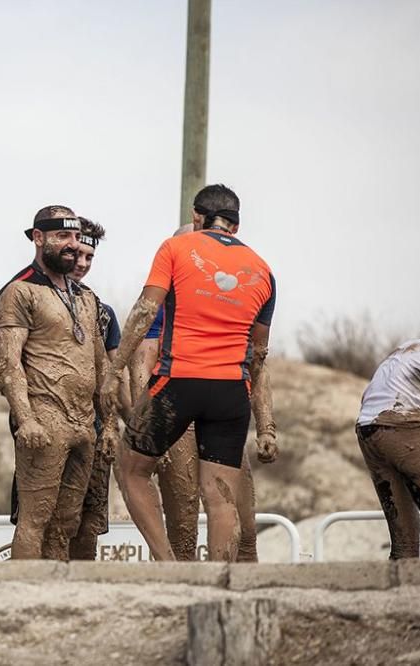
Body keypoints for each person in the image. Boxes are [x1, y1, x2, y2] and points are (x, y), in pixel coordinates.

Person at [101, 184, 278, 561]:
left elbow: (145, 313)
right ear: (236, 223)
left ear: (197, 216)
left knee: (131, 469)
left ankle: (168, 565)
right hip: (232, 391)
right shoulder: (263, 270)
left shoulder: (176, 247)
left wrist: (114, 371)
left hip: (178, 381)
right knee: (221, 497)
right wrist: (262, 418)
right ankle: (220, 581)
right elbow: (258, 353)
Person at [128, 224, 260, 562]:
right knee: (187, 521)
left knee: (244, 524)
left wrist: (268, 424)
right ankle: (178, 569)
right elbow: (143, 358)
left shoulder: (228, 302)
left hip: (204, 397)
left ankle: (227, 581)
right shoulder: (166, 299)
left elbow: (259, 361)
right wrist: (143, 409)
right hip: (195, 408)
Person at [0, 205, 118, 560]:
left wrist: (108, 424)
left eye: (76, 237)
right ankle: (25, 597)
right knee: (36, 517)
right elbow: (8, 364)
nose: (72, 245)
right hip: (45, 416)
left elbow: (102, 369)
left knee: (68, 521)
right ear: (38, 238)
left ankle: (56, 597)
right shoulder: (20, 291)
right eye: (63, 236)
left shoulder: (87, 297)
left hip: (84, 422)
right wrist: (26, 418)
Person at [67, 217, 124, 560]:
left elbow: (117, 373)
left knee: (90, 524)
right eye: (77, 255)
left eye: (90, 257)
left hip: (96, 427)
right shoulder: (32, 296)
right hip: (52, 424)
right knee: (52, 520)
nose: (82, 265)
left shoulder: (103, 312)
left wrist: (122, 423)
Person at [356, 336, 420, 559]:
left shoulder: (416, 346)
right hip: (406, 422)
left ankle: (398, 593)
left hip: (368, 428)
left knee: (404, 547)